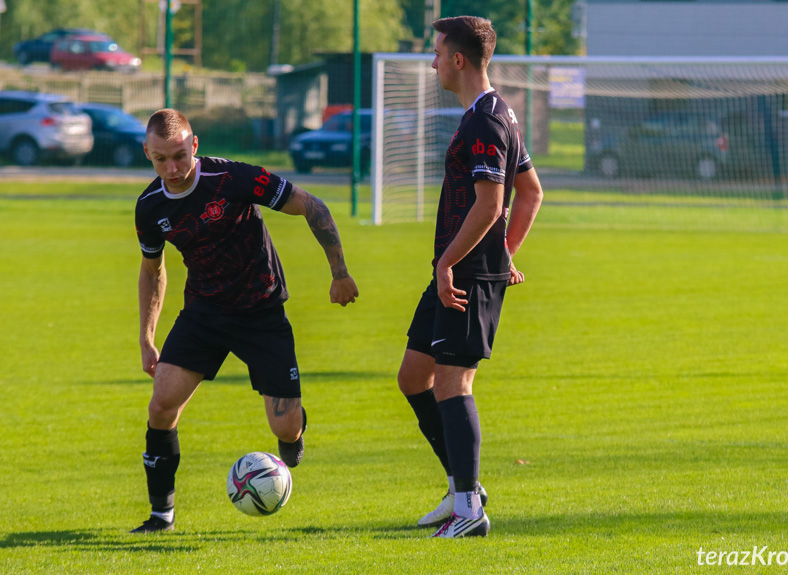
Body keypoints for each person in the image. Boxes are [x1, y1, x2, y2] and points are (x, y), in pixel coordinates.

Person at [131, 108, 359, 533]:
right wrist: (147, 337)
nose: (172, 168)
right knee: (162, 404)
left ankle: (292, 438)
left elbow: (312, 205)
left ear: (194, 145)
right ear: (147, 152)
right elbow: (152, 270)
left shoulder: (232, 179)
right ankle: (161, 515)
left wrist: (340, 273)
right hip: (204, 314)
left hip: (261, 311)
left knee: (285, 430)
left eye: (179, 155)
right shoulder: (150, 207)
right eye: (161, 159)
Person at [397, 16, 544, 538]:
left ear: (458, 59)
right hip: (463, 269)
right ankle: (465, 488)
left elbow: (492, 202)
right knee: (414, 376)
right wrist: (504, 255)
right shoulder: (493, 112)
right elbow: (532, 193)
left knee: (453, 382)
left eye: (437, 51)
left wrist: (453, 264)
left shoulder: (485, 120)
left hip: (463, 274)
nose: (432, 61)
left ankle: (468, 511)